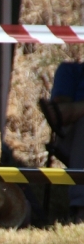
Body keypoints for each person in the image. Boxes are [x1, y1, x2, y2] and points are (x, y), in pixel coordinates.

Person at [39, 61, 84, 223]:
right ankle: (81, 210)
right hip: (71, 138)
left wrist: (76, 108)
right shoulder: (70, 71)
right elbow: (61, 114)